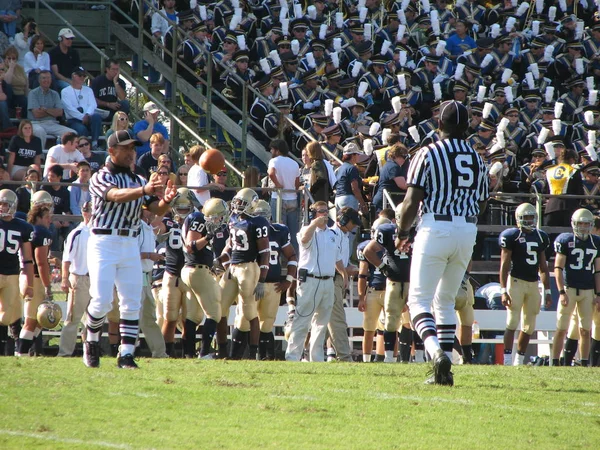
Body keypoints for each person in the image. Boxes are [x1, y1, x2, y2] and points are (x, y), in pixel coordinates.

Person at [395, 100, 489, 386]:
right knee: (445, 300)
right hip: (467, 228)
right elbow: (483, 201)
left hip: (436, 225)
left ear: (439, 124)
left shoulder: (428, 152)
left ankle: (437, 353)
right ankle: (443, 372)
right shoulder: (476, 156)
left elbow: (412, 200)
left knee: (418, 300)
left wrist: (401, 232)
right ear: (467, 127)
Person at [82, 129, 177, 369]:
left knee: (132, 301)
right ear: (112, 150)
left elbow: (156, 210)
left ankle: (126, 354)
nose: (131, 153)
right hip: (104, 242)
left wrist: (167, 199)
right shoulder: (100, 176)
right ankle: (91, 339)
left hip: (129, 243)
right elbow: (114, 195)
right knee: (102, 300)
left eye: (133, 148)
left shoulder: (138, 179)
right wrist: (145, 191)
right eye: (126, 148)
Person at [235, 199, 297, 360]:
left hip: (273, 285)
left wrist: (288, 280)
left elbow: (292, 255)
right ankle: (235, 356)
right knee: (244, 320)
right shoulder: (247, 230)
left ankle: (265, 358)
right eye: (258, 215)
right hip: (253, 283)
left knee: (267, 323)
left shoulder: (279, 231)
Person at [285, 201, 346, 362]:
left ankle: (316, 358)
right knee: (302, 320)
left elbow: (337, 258)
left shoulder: (333, 234)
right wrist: (314, 224)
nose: (324, 215)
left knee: (322, 323)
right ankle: (292, 356)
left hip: (328, 281)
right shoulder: (307, 230)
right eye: (320, 212)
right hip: (310, 281)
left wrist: (344, 274)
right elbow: (304, 240)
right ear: (313, 214)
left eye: (326, 211)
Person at [215, 188, 271, 360]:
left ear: (252, 205)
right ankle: (222, 351)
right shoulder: (233, 219)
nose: (238, 205)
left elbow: (265, 252)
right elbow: (230, 246)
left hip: (248, 268)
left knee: (249, 312)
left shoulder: (259, 222)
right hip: (232, 268)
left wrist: (262, 280)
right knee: (219, 310)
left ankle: (253, 353)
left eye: (242, 203)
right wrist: (219, 260)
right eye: (237, 201)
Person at [499, 203, 551, 366]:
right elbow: (504, 265)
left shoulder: (541, 236)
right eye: (526, 217)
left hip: (533, 283)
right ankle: (507, 360)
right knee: (512, 322)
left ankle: (519, 360)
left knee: (529, 325)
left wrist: (548, 290)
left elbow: (543, 267)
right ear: (518, 218)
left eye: (531, 217)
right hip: (515, 282)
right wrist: (503, 289)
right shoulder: (512, 235)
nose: (529, 220)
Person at [551, 209, 600, 367]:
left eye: (586, 224)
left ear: (591, 225)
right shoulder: (565, 240)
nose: (584, 227)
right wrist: (561, 291)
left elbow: (598, 270)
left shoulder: (596, 242)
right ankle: (554, 361)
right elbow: (558, 267)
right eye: (580, 223)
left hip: (587, 290)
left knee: (585, 330)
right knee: (561, 328)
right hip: (570, 288)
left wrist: (598, 293)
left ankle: (584, 363)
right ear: (574, 224)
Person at [364, 213, 412, 363]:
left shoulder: (419, 230)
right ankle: (389, 357)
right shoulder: (386, 231)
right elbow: (368, 251)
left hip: (414, 282)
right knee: (391, 319)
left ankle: (419, 357)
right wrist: (384, 268)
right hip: (394, 281)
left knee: (415, 320)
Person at [180, 195, 223, 359]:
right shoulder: (198, 218)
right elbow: (191, 246)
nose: (220, 219)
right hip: (197, 270)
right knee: (214, 312)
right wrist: (208, 237)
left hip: (191, 270)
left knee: (194, 315)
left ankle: (189, 353)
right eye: (219, 215)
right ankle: (204, 352)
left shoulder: (198, 217)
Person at [158, 187, 197, 358]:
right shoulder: (167, 221)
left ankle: (188, 352)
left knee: (189, 320)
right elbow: (155, 222)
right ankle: (167, 351)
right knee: (170, 317)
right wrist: (164, 202)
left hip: (189, 275)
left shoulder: (196, 221)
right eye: (178, 206)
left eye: (185, 206)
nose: (182, 211)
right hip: (172, 275)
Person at [16, 203, 52, 356]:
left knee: (40, 321)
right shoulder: (41, 232)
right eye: (47, 217)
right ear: (39, 217)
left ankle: (24, 351)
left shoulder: (28, 229)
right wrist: (48, 285)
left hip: (24, 275)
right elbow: (41, 262)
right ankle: (21, 353)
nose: (50, 220)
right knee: (31, 320)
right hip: (34, 278)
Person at [58, 200, 92, 357]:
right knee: (73, 318)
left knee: (92, 320)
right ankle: (65, 352)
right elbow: (66, 259)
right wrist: (65, 279)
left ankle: (90, 351)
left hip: (95, 279)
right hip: (80, 278)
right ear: (84, 213)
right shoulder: (77, 233)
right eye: (88, 210)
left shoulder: (99, 233)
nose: (90, 214)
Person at [325, 207, 359, 362]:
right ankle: (344, 356)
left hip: (338, 281)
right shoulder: (333, 235)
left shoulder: (344, 236)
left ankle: (305, 353)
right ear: (344, 220)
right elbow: (331, 262)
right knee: (338, 320)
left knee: (323, 321)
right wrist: (348, 271)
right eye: (352, 222)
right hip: (333, 280)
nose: (354, 226)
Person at [356, 217, 390, 362]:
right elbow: (362, 274)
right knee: (369, 328)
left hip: (389, 289)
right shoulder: (365, 247)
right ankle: (367, 360)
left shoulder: (394, 245)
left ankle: (390, 359)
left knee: (390, 328)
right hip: (375, 289)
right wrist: (361, 297)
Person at [138, 207, 168, 358]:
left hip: (146, 277)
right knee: (133, 317)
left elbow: (160, 214)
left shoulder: (148, 227)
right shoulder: (136, 227)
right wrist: (150, 255)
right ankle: (125, 351)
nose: (151, 212)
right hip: (135, 276)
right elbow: (130, 253)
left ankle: (160, 352)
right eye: (147, 209)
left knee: (149, 317)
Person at [27, 70, 76, 149]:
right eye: (44, 78)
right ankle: (40, 157)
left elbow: (60, 112)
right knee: (40, 132)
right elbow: (36, 114)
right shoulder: (33, 93)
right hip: (36, 123)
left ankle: (65, 157)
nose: (46, 80)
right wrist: (52, 111)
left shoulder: (55, 94)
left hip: (52, 123)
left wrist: (45, 110)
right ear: (39, 80)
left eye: (48, 78)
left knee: (72, 133)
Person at [267, 139, 300, 253]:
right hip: (292, 199)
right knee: (293, 231)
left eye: (272, 149)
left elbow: (271, 173)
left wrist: (278, 185)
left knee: (279, 230)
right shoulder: (294, 163)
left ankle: (280, 258)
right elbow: (297, 183)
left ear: (277, 150)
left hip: (278, 198)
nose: (271, 150)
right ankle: (295, 258)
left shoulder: (274, 161)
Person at [61, 67, 102, 149]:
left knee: (96, 117)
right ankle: (84, 147)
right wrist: (82, 117)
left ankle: (95, 143)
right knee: (82, 129)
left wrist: (87, 114)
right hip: (73, 119)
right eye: (80, 75)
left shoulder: (89, 90)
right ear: (73, 76)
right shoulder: (65, 91)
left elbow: (93, 105)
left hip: (87, 117)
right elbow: (69, 109)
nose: (82, 78)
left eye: (84, 76)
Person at [372, 143, 409, 212]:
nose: (405, 159)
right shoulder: (393, 167)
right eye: (404, 156)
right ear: (396, 155)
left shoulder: (390, 164)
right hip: (383, 202)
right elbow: (403, 185)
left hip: (384, 201)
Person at [334, 142, 368, 215]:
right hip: (348, 199)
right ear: (353, 155)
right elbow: (354, 188)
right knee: (351, 225)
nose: (358, 157)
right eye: (357, 154)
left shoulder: (340, 168)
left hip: (338, 199)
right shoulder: (352, 168)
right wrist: (362, 203)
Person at [3, 46, 28, 112]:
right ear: (5, 59)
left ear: (16, 59)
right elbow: (7, 81)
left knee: (26, 100)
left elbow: (26, 83)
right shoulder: (2, 68)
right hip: (9, 96)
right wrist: (11, 68)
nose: (11, 60)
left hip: (21, 95)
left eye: (13, 58)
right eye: (9, 58)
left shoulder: (20, 68)